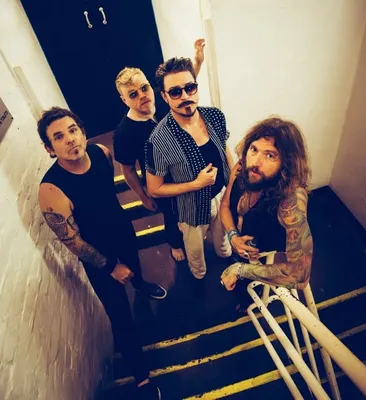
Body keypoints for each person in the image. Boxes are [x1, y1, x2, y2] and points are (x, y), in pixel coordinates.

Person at [38, 107, 165, 399]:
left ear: (82, 132)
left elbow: (106, 194)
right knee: (120, 316)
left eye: (73, 130)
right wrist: (109, 267)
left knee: (136, 269)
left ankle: (141, 284)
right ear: (49, 148)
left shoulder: (100, 153)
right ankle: (142, 379)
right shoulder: (51, 190)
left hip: (123, 231)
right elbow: (73, 243)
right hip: (97, 255)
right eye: (59, 137)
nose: (70, 139)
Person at [113, 39, 206, 262]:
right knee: (171, 216)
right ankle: (175, 243)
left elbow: (183, 87)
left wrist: (198, 62)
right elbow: (127, 171)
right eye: (133, 94)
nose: (142, 96)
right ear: (124, 100)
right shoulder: (124, 133)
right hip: (160, 181)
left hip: (185, 169)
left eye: (144, 88)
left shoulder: (165, 100)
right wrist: (142, 195)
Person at [145, 57, 234, 279]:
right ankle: (199, 275)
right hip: (191, 208)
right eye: (175, 92)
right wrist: (196, 184)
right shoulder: (158, 141)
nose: (185, 96)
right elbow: (154, 189)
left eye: (190, 88)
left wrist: (234, 182)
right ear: (164, 97)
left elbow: (225, 148)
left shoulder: (215, 116)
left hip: (222, 195)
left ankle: (225, 256)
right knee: (195, 252)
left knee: (223, 240)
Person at [219, 117, 313, 295]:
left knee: (251, 294)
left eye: (270, 155)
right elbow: (224, 205)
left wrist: (241, 270)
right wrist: (233, 237)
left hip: (264, 262)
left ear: (287, 163)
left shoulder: (290, 200)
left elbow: (300, 276)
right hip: (238, 248)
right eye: (254, 149)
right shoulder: (242, 169)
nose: (255, 162)